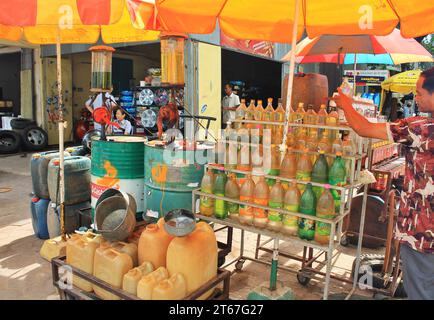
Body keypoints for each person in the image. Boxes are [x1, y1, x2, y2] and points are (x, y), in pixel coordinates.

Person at [334, 67, 434, 300]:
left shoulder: (421, 128)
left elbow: (364, 128)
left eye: (419, 93)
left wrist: (346, 104)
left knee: (420, 291)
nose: (415, 98)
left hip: (421, 234)